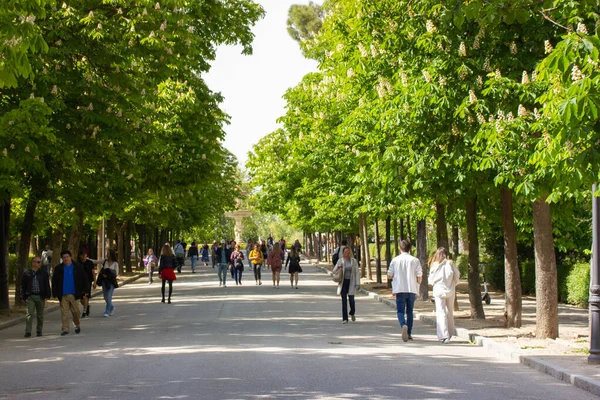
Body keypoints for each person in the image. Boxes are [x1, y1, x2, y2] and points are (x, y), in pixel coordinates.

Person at [387, 240, 423, 342]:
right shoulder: (415, 260)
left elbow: (390, 275)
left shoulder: (395, 260)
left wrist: (394, 277)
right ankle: (409, 333)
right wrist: (417, 285)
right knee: (410, 311)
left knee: (400, 311)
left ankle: (403, 324)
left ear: (400, 248)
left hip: (400, 289)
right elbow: (419, 276)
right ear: (410, 248)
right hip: (411, 288)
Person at [52, 250, 89, 336]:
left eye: (67, 257)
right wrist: (54, 292)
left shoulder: (77, 267)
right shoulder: (59, 268)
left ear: (70, 257)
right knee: (64, 312)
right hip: (63, 294)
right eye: (64, 257)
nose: (66, 259)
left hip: (74, 294)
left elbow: (84, 279)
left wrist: (85, 291)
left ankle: (77, 324)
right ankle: (65, 329)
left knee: (76, 311)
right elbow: (54, 281)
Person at [429, 247, 460, 344]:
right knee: (450, 312)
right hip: (450, 290)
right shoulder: (450, 263)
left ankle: (443, 335)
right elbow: (457, 276)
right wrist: (453, 283)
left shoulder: (435, 265)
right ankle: (450, 333)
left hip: (439, 290)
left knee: (441, 312)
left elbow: (431, 280)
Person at [21, 256, 51, 337]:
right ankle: (28, 331)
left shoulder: (43, 273)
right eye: (37, 262)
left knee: (40, 315)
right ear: (33, 263)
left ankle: (39, 330)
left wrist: (48, 295)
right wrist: (23, 297)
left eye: (40, 262)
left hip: (40, 296)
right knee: (29, 314)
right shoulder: (27, 273)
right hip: (30, 296)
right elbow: (23, 286)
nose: (39, 264)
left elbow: (46, 285)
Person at [332, 247, 359, 324]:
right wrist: (339, 267)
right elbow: (334, 271)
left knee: (351, 300)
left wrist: (357, 283)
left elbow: (357, 272)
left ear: (350, 252)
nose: (347, 253)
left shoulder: (354, 261)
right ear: (343, 253)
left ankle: (352, 312)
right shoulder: (340, 261)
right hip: (343, 283)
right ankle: (345, 318)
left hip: (351, 282)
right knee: (344, 301)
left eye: (348, 251)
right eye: (345, 252)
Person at [97, 249, 119, 317]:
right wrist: (87, 259)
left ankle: (107, 311)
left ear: (111, 254)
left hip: (111, 282)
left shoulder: (115, 263)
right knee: (105, 297)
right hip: (104, 281)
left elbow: (116, 273)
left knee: (109, 296)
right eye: (107, 253)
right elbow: (96, 261)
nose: (107, 255)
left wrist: (109, 275)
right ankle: (112, 307)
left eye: (108, 253)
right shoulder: (104, 261)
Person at [78, 250, 97, 318]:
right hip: (79, 283)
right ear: (80, 256)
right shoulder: (77, 263)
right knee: (81, 298)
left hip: (88, 282)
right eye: (82, 255)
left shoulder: (89, 263)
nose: (84, 257)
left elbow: (93, 272)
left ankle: (85, 310)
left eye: (85, 255)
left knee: (85, 296)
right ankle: (87, 306)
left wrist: (95, 282)